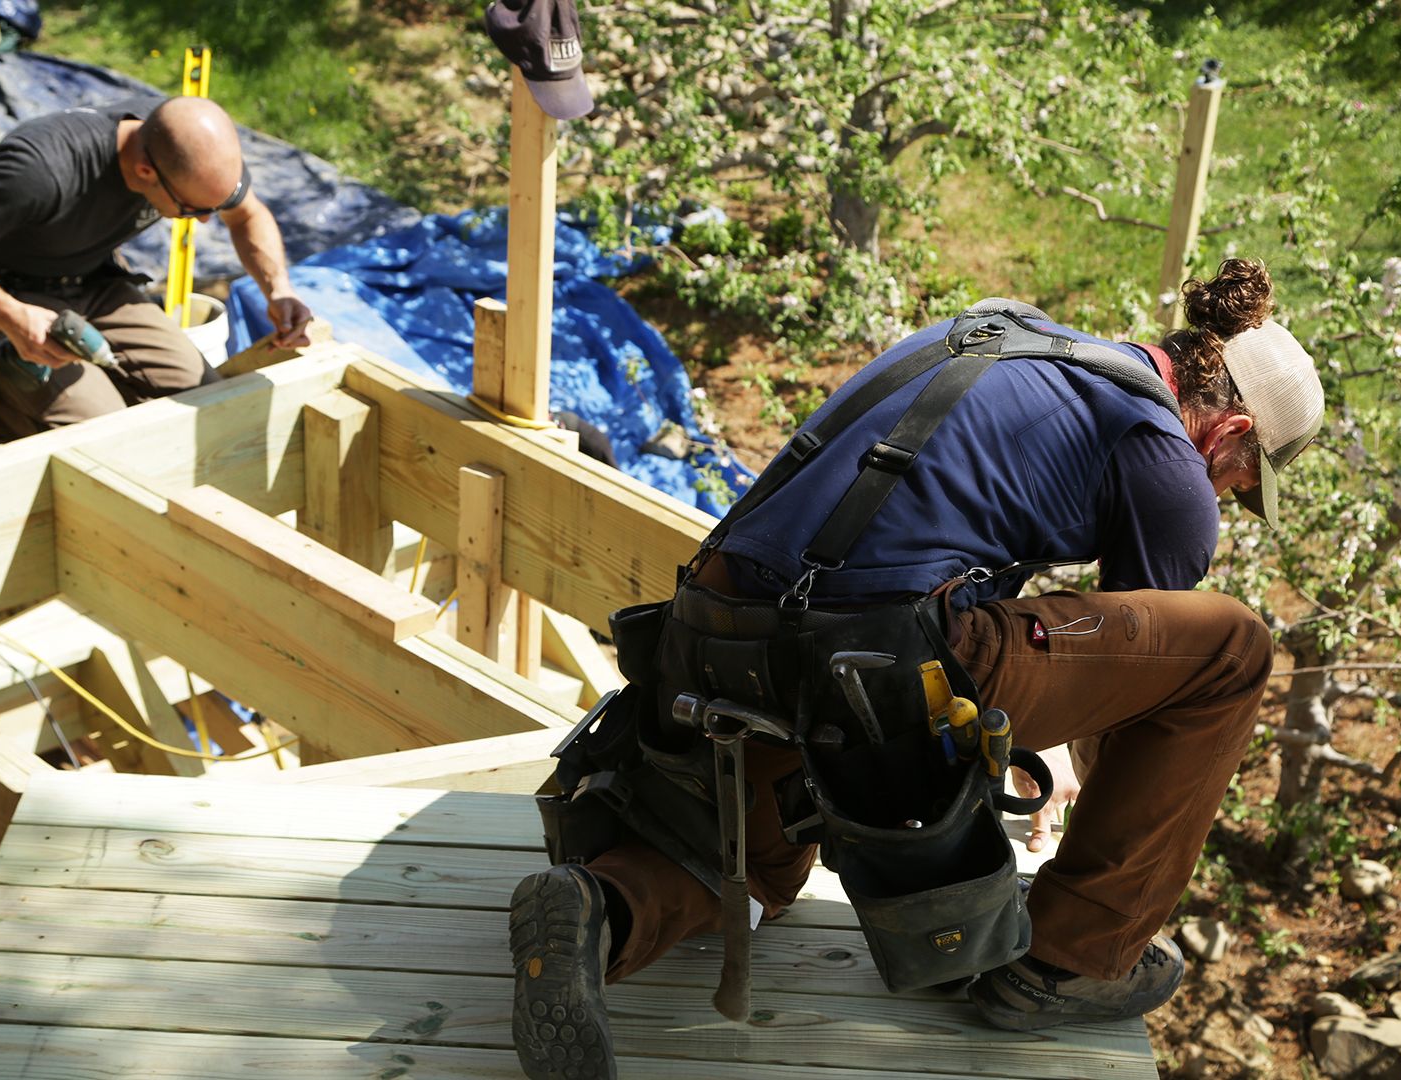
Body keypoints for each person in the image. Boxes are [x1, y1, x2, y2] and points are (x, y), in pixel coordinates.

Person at [508, 259, 1326, 1077]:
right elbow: (1147, 685)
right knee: (1232, 650)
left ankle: (598, 909)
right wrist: (1079, 766)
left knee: (765, 858)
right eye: (1238, 484)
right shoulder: (1170, 465)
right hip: (867, 661)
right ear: (1232, 434)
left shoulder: (1006, 331)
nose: (1222, 500)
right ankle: (1066, 961)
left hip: (712, 630)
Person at [0, 95, 313, 449]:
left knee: (206, 395)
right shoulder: (41, 169)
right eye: (193, 210)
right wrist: (11, 317)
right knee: (100, 433)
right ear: (145, 171)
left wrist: (278, 291)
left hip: (91, 279)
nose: (205, 221)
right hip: (3, 290)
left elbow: (247, 216)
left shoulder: (189, 148)